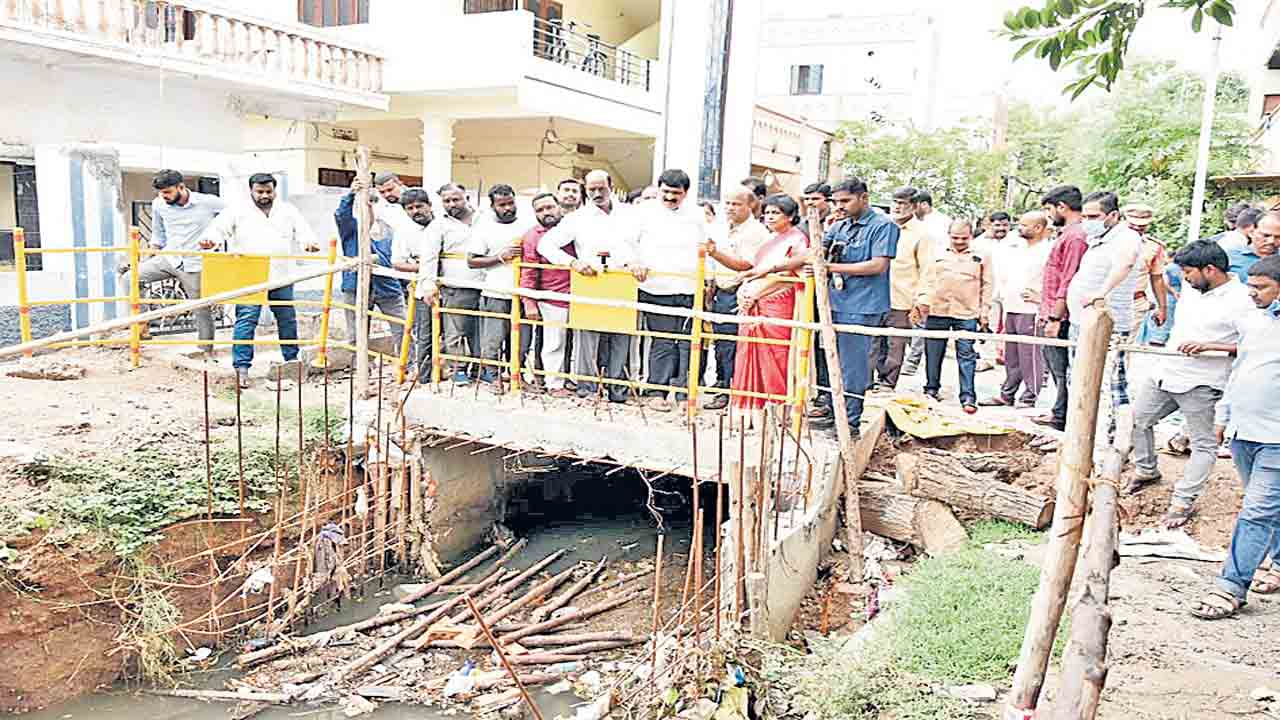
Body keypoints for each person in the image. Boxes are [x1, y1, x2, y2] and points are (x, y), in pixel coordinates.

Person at [1129, 240, 1258, 528]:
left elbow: (1254, 344)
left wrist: (1209, 345)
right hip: (1166, 371)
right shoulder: (1192, 288)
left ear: (1210, 269)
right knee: (1137, 421)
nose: (1185, 277)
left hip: (1204, 381)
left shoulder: (1243, 300)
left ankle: (1182, 501)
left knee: (1204, 444)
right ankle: (1147, 470)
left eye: (1188, 271)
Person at [1189, 255, 1280, 620]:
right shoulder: (1254, 322)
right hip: (1245, 431)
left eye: (1260, 288)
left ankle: (1231, 587)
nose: (1252, 294)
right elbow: (1240, 369)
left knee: (1257, 512)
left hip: (1277, 437)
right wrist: (1224, 417)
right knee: (1269, 508)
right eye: (1250, 287)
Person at [199, 173, 319, 388]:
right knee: (247, 320)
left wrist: (309, 243)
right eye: (260, 192)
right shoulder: (237, 210)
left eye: (268, 191)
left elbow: (304, 232)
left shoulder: (288, 210)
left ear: (275, 191)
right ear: (251, 191)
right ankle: (241, 368)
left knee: (287, 319)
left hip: (282, 274)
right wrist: (211, 242)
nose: (264, 195)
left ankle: (292, 361)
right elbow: (217, 230)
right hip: (249, 273)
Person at [538, 170, 640, 402]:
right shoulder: (578, 218)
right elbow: (546, 244)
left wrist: (637, 263)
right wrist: (572, 262)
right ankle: (588, 389)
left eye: (600, 188)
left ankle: (618, 391)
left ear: (611, 186)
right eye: (591, 189)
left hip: (623, 280)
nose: (596, 194)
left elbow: (642, 243)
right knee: (588, 339)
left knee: (621, 337)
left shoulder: (630, 214)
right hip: (590, 281)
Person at [809, 178, 899, 436]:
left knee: (853, 365)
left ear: (864, 198)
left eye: (846, 201)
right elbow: (819, 251)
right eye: (836, 202)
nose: (840, 206)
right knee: (829, 361)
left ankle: (850, 422)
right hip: (834, 301)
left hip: (862, 305)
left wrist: (830, 267)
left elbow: (877, 265)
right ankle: (833, 411)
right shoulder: (840, 226)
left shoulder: (883, 226)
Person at [629, 169, 711, 412]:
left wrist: (708, 281)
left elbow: (708, 247)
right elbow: (626, 242)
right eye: (665, 192)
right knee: (663, 341)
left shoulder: (697, 215)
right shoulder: (643, 213)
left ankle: (686, 394)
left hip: (688, 287)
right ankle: (657, 390)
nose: (669, 197)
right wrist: (633, 262)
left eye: (676, 193)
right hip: (655, 287)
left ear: (685, 193)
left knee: (687, 341)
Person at [1066, 190, 1144, 440]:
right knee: (1078, 379)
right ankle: (1080, 433)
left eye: (1094, 216)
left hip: (1108, 324)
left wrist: (1101, 292)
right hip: (1081, 321)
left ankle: (1109, 438)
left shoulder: (1127, 237)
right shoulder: (1098, 239)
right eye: (1085, 216)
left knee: (1109, 384)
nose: (1088, 221)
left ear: (1113, 215)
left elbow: (1126, 264)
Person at [124, 169, 225, 354]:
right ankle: (143, 325)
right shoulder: (158, 204)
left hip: (195, 264)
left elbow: (234, 219)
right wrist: (150, 253)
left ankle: (205, 351)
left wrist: (220, 242)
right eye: (161, 193)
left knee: (201, 309)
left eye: (167, 192)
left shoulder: (209, 202)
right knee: (130, 278)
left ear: (181, 187)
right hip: (169, 258)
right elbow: (158, 233)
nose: (164, 197)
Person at [729, 194, 809, 422]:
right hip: (755, 304)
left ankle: (779, 408)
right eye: (767, 212)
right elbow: (757, 270)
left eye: (776, 213)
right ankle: (752, 409)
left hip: (779, 303)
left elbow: (790, 275)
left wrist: (756, 293)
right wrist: (745, 291)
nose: (769, 217)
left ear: (791, 216)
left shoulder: (798, 241)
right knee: (750, 350)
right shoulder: (769, 241)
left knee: (777, 354)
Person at [701, 186, 770, 410]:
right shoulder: (721, 227)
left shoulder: (756, 232)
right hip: (720, 291)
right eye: (727, 203)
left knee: (733, 345)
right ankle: (722, 383)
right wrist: (710, 285)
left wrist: (715, 253)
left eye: (736, 204)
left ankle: (731, 390)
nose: (730, 208)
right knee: (720, 343)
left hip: (742, 293)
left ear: (750, 205)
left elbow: (745, 265)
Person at [1034, 185, 1091, 431]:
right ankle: (1059, 411)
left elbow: (1069, 279)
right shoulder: (1068, 234)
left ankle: (1063, 416)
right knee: (1056, 366)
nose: (1048, 216)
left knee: (1062, 368)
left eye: (1049, 209)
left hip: (1062, 315)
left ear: (1062, 207)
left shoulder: (1076, 236)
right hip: (1052, 310)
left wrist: (1055, 317)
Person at [920, 220, 993, 414]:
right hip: (937, 310)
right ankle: (931, 389)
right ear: (948, 235)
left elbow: (987, 285)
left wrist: (984, 311)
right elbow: (926, 279)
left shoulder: (981, 256)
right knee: (933, 353)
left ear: (971, 236)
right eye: (955, 238)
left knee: (967, 355)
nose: (959, 241)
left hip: (967, 312)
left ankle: (968, 396)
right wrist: (921, 302)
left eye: (964, 238)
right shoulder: (936, 253)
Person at [982, 211, 1053, 408]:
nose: (1018, 228)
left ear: (1038, 228)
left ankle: (1030, 396)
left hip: (1031, 310)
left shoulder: (1047, 251)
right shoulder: (1016, 248)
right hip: (1010, 307)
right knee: (1011, 354)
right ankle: (1007, 394)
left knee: (1029, 354)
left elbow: (1052, 280)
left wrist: (1042, 299)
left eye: (1023, 225)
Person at [467, 184, 532, 392]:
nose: (507, 208)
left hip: (523, 293)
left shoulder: (527, 225)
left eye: (510, 203)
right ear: (493, 206)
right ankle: (493, 378)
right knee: (493, 339)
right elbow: (471, 261)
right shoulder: (484, 228)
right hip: (496, 291)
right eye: (502, 205)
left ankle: (517, 376)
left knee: (521, 340)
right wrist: (499, 257)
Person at [868, 187, 933, 390]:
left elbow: (928, 270)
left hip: (902, 298)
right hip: (874, 296)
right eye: (895, 202)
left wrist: (923, 300)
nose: (897, 206)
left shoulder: (922, 234)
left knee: (895, 344)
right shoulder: (880, 226)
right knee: (872, 343)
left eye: (903, 203)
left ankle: (887, 383)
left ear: (914, 206)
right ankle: (867, 383)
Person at [336, 173, 407, 348]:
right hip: (355, 285)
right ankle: (360, 370)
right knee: (356, 334)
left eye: (372, 204)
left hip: (387, 284)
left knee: (403, 329)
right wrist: (351, 194)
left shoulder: (388, 228)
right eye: (365, 204)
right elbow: (341, 214)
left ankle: (409, 366)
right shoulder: (351, 229)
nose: (369, 208)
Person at [426, 183, 482, 384]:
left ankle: (481, 369)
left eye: (456, 199)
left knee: (481, 331)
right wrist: (428, 283)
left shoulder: (484, 218)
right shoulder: (438, 225)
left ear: (466, 197)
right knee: (455, 331)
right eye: (446, 201)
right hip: (455, 286)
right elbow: (430, 257)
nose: (452, 204)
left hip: (486, 285)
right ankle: (458, 370)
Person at [518, 193, 569, 396]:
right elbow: (528, 271)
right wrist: (529, 302)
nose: (546, 212)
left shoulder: (572, 228)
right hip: (551, 296)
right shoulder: (532, 236)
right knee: (554, 342)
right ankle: (554, 384)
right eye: (540, 210)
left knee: (579, 344)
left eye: (549, 207)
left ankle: (578, 382)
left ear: (559, 207)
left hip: (581, 293)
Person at [391, 188, 439, 379]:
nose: (415, 211)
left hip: (452, 287)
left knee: (455, 331)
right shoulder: (404, 232)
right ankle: (425, 375)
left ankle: (459, 371)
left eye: (419, 206)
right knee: (425, 333)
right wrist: (425, 267)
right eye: (410, 208)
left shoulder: (444, 225)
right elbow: (397, 263)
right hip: (423, 289)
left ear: (429, 205)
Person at [1124, 204, 1170, 345]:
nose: (1137, 228)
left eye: (1142, 225)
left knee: (1126, 347)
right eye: (1133, 225)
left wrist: (1162, 308)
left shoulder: (1154, 247)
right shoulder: (1107, 242)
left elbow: (1157, 278)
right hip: (1108, 300)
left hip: (1135, 302)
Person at [1229, 211, 1279, 281]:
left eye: (1278, 237)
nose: (1271, 241)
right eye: (1266, 235)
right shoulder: (1231, 256)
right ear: (1251, 232)